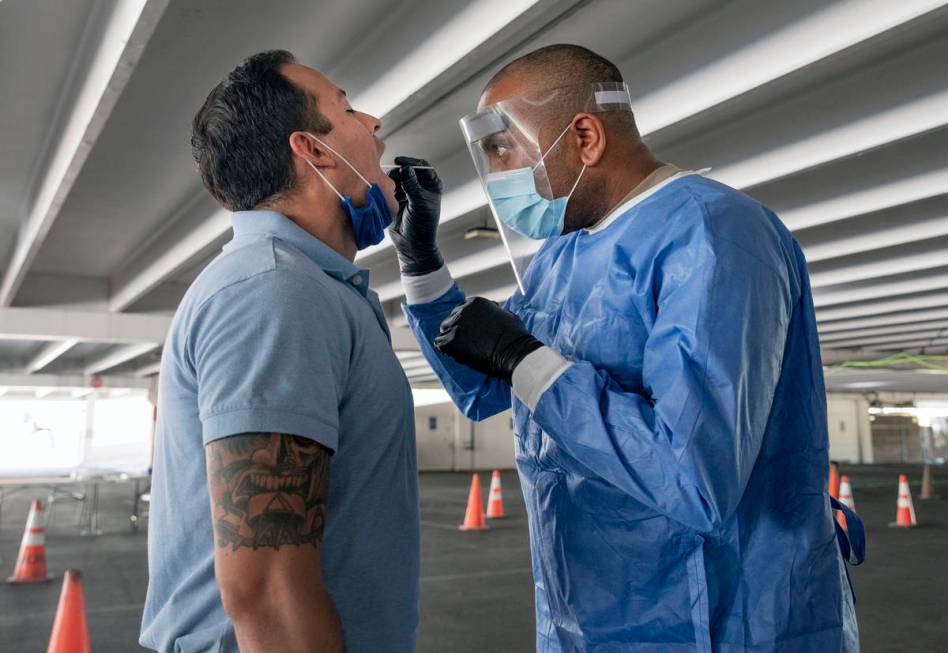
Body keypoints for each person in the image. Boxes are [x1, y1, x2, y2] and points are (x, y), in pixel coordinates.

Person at [392, 44, 864, 652]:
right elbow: (487, 386)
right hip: (591, 615)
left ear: (584, 137)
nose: (497, 174)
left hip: (722, 617)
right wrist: (423, 267)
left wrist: (526, 358)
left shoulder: (714, 235)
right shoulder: (562, 255)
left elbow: (696, 477)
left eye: (502, 147)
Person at [140, 50, 423, 653]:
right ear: (314, 150)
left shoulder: (307, 287)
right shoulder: (275, 291)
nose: (372, 123)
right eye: (347, 109)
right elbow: (265, 584)